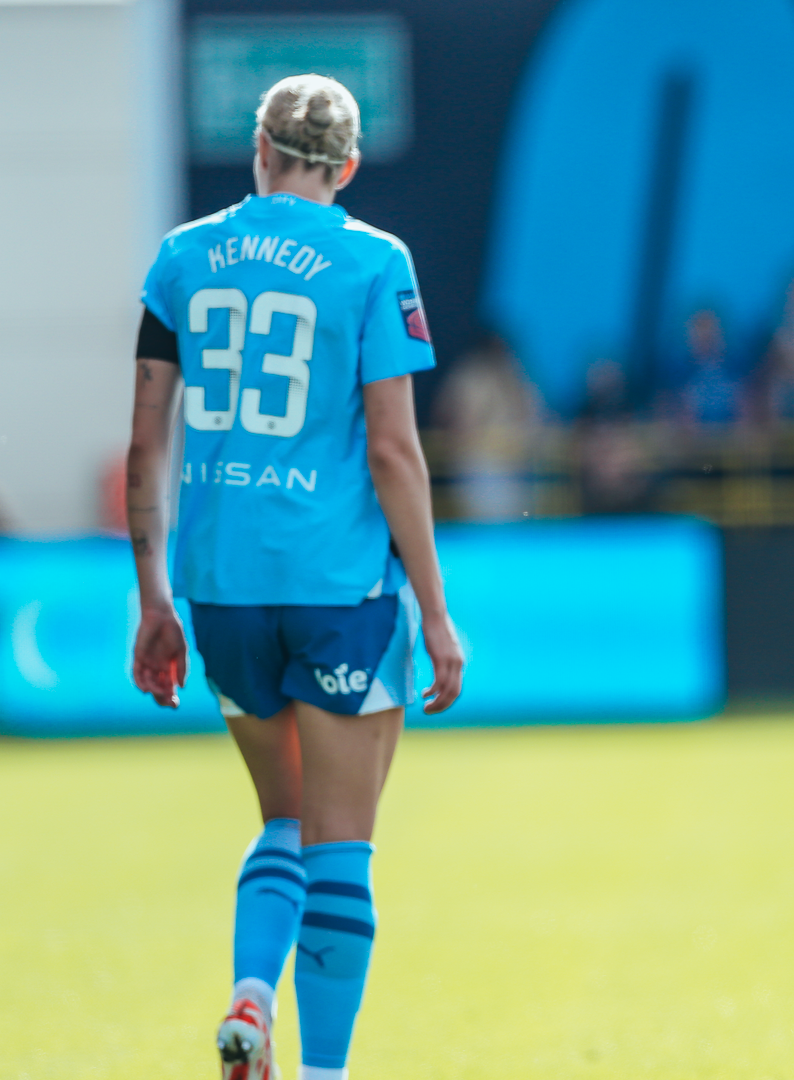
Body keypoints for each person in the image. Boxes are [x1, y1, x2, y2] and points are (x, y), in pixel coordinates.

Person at [125, 74, 465, 1080]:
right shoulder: (372, 260)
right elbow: (396, 454)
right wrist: (438, 615)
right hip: (338, 586)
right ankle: (320, 1072)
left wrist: (152, 600)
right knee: (341, 846)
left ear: (260, 152)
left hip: (221, 589)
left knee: (282, 816)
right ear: (348, 165)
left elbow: (147, 445)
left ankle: (250, 991)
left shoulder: (182, 258)